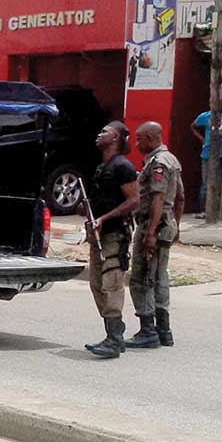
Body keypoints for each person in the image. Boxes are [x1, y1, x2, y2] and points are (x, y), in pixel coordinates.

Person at [125, 122, 184, 349]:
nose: (137, 144)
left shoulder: (158, 163)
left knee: (142, 278)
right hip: (167, 225)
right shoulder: (172, 160)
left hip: (154, 225)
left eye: (139, 139)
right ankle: (164, 330)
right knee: (159, 276)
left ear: (151, 138)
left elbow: (158, 198)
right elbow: (180, 197)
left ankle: (148, 330)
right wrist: (176, 226)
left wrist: (150, 233)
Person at [83, 122, 140, 359]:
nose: (99, 134)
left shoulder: (123, 166)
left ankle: (114, 340)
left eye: (104, 131)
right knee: (96, 282)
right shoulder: (102, 167)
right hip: (99, 235)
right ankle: (112, 331)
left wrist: (105, 218)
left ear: (116, 137)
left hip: (115, 234)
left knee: (111, 283)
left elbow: (134, 201)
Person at [190, 109, 222, 215]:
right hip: (207, 154)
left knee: (221, 182)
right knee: (205, 184)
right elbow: (192, 126)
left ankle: (219, 210)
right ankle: (203, 211)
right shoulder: (205, 116)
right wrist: (202, 140)